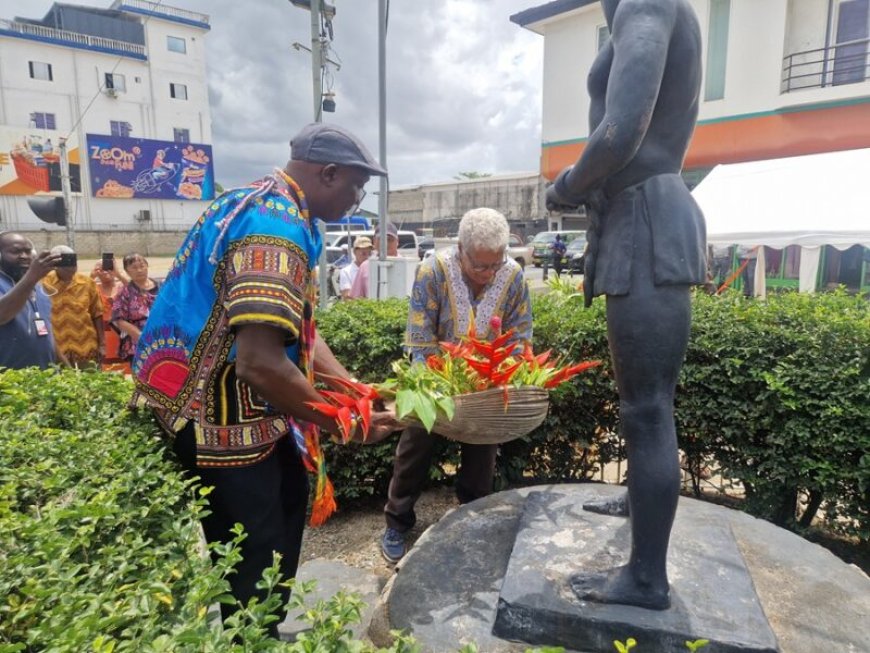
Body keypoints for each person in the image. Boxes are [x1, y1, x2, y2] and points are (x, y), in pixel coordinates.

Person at [129, 122, 398, 635]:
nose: (357, 199)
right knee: (255, 554)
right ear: (328, 173)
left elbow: (298, 329)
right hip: (217, 417)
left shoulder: (275, 206)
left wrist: (356, 392)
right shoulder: (275, 228)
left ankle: (264, 632)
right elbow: (259, 363)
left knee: (285, 509)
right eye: (357, 186)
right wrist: (343, 422)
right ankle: (253, 639)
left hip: (244, 409)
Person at [545, 0, 707, 610]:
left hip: (647, 218)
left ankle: (645, 579)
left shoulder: (647, 3)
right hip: (637, 217)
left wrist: (567, 185)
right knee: (642, 401)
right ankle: (641, 502)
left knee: (647, 409)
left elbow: (622, 130)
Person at [381, 207, 533, 563]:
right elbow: (420, 340)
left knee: (483, 452)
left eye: (495, 264)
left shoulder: (513, 276)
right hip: (435, 380)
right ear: (460, 249)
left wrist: (498, 377)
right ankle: (397, 521)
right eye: (480, 266)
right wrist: (441, 387)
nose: (489, 273)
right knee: (415, 444)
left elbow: (520, 338)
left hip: (486, 384)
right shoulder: (432, 271)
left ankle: (472, 518)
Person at [0, 232, 62, 369]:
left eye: (28, 252)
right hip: (9, 379)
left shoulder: (39, 290)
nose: (24, 256)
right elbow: (2, 315)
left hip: (44, 377)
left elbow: (47, 336)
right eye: (15, 251)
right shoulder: (29, 280)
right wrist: (32, 276)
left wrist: (67, 369)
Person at [42, 245, 105, 367]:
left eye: (73, 261)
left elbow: (97, 313)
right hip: (57, 351)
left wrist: (102, 344)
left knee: (91, 378)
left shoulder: (87, 283)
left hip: (86, 348)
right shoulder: (43, 284)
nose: (71, 267)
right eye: (65, 263)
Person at [111, 253, 159, 364]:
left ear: (147, 266)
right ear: (127, 271)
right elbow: (119, 319)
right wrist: (141, 337)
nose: (139, 270)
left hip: (163, 339)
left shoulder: (162, 287)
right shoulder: (124, 291)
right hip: (138, 344)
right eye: (134, 268)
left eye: (142, 266)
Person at [349, 221, 399, 299]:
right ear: (374, 241)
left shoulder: (407, 265)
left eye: (390, 240)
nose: (385, 243)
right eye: (381, 239)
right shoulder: (365, 266)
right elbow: (355, 299)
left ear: (397, 242)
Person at [90, 261, 126, 368]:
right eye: (101, 269)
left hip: (123, 336)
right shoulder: (93, 288)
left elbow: (138, 290)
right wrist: (91, 277)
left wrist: (118, 275)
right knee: (106, 371)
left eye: (109, 268)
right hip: (102, 338)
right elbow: (79, 294)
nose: (105, 272)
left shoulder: (123, 287)